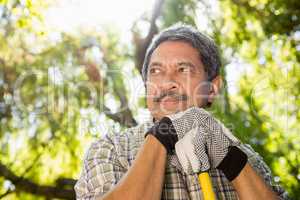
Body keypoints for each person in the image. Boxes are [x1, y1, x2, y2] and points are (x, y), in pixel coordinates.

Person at [74, 24, 289, 200]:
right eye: (156, 71)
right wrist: (163, 134)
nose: (167, 83)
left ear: (212, 88)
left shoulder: (250, 160)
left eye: (183, 69)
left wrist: (233, 161)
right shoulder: (111, 149)